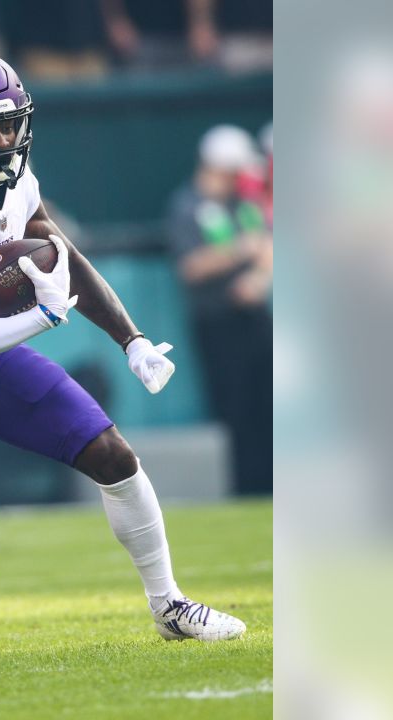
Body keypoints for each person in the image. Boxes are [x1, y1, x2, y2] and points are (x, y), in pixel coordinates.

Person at [0, 49, 246, 642]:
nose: (4, 138)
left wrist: (130, 339)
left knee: (114, 456)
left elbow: (60, 253)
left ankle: (170, 607)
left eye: (11, 123)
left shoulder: (13, 179)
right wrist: (41, 316)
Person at [167, 124, 272, 495]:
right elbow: (190, 266)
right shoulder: (188, 206)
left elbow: (266, 247)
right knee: (235, 409)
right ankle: (247, 487)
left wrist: (258, 278)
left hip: (255, 318)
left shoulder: (244, 205)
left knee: (269, 404)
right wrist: (240, 252)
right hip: (217, 322)